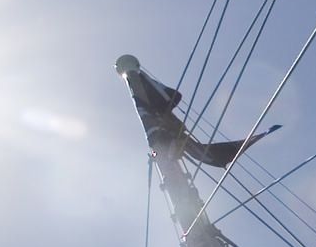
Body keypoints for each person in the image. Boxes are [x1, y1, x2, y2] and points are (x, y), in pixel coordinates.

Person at [114, 54, 278, 169]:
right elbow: (156, 147)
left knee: (159, 149)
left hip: (165, 140)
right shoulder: (162, 134)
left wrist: (158, 150)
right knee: (159, 151)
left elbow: (147, 109)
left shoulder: (160, 128)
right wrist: (156, 154)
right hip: (164, 142)